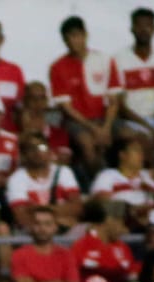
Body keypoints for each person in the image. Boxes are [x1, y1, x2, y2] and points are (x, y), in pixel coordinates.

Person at [49, 16, 121, 177]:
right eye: (67, 38)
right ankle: (99, 185)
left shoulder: (105, 60)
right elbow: (66, 108)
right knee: (87, 143)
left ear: (85, 35)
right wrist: (94, 129)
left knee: (133, 137)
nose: (72, 41)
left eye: (76, 35)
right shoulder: (57, 67)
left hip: (105, 119)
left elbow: (114, 100)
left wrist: (106, 128)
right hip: (78, 122)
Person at [114, 8, 154, 151]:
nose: (144, 30)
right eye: (139, 26)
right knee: (143, 139)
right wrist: (147, 126)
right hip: (132, 121)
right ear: (132, 29)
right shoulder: (119, 59)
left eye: (148, 26)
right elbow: (121, 106)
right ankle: (151, 173)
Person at [11, 206, 79, 282]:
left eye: (47, 224)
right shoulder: (20, 255)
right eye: (38, 224)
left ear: (55, 227)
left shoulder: (66, 255)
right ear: (31, 227)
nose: (42, 229)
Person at [5, 132, 82, 230]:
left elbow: (77, 208)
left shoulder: (63, 172)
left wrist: (41, 209)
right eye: (31, 149)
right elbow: (22, 217)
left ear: (49, 150)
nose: (37, 152)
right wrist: (56, 219)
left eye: (42, 147)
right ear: (24, 154)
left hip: (65, 230)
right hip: (32, 233)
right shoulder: (16, 179)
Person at [92, 136, 154, 231]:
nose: (141, 155)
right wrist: (133, 210)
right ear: (122, 155)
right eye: (136, 150)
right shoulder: (108, 175)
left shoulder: (149, 176)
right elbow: (101, 203)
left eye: (142, 151)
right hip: (126, 229)